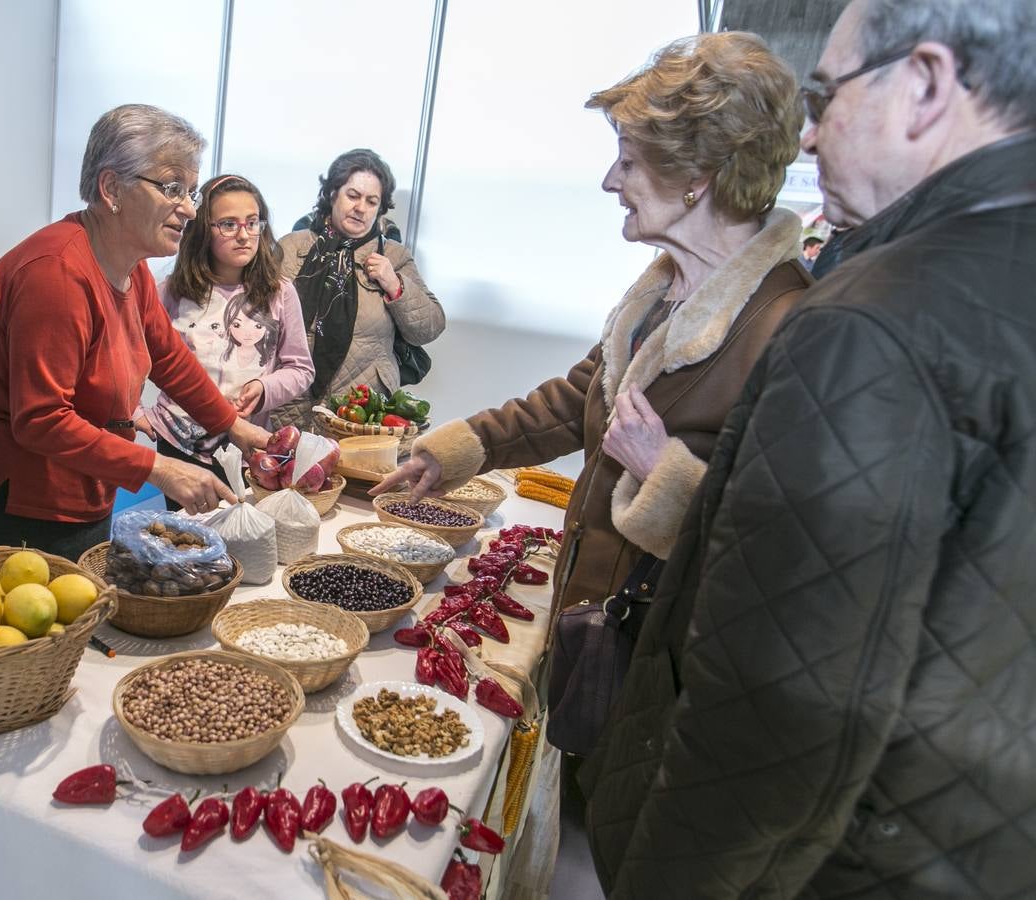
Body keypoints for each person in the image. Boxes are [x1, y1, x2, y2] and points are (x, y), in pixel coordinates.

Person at [582, 1, 1036, 896]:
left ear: (926, 85)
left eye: (827, 96)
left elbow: (779, 706)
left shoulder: (868, 320)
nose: (812, 135)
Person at [375, 31, 809, 625]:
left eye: (629, 160)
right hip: (598, 614)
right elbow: (581, 399)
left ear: (697, 175)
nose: (610, 181)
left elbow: (787, 546)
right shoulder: (663, 291)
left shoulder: (791, 326)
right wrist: (460, 450)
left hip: (664, 646)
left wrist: (663, 473)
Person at [0, 105, 272, 556]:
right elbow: (41, 420)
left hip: (82, 481)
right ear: (111, 188)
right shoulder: (56, 274)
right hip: (20, 497)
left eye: (192, 192)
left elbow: (168, 358)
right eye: (173, 188)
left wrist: (235, 426)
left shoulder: (129, 267)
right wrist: (158, 468)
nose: (189, 209)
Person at [137, 174, 314, 509]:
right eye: (228, 224)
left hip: (246, 444)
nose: (244, 235)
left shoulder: (280, 292)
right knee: (191, 541)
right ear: (204, 229)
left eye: (252, 223)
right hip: (180, 441)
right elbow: (130, 355)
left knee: (241, 537)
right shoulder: (171, 290)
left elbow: (300, 368)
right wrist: (132, 411)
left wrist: (265, 389)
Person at [272, 149, 445, 429]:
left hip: (360, 412)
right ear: (332, 194)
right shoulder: (292, 247)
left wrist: (394, 284)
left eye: (371, 201)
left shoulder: (394, 255)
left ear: (380, 207)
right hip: (290, 404)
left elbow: (429, 328)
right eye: (352, 196)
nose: (360, 207)